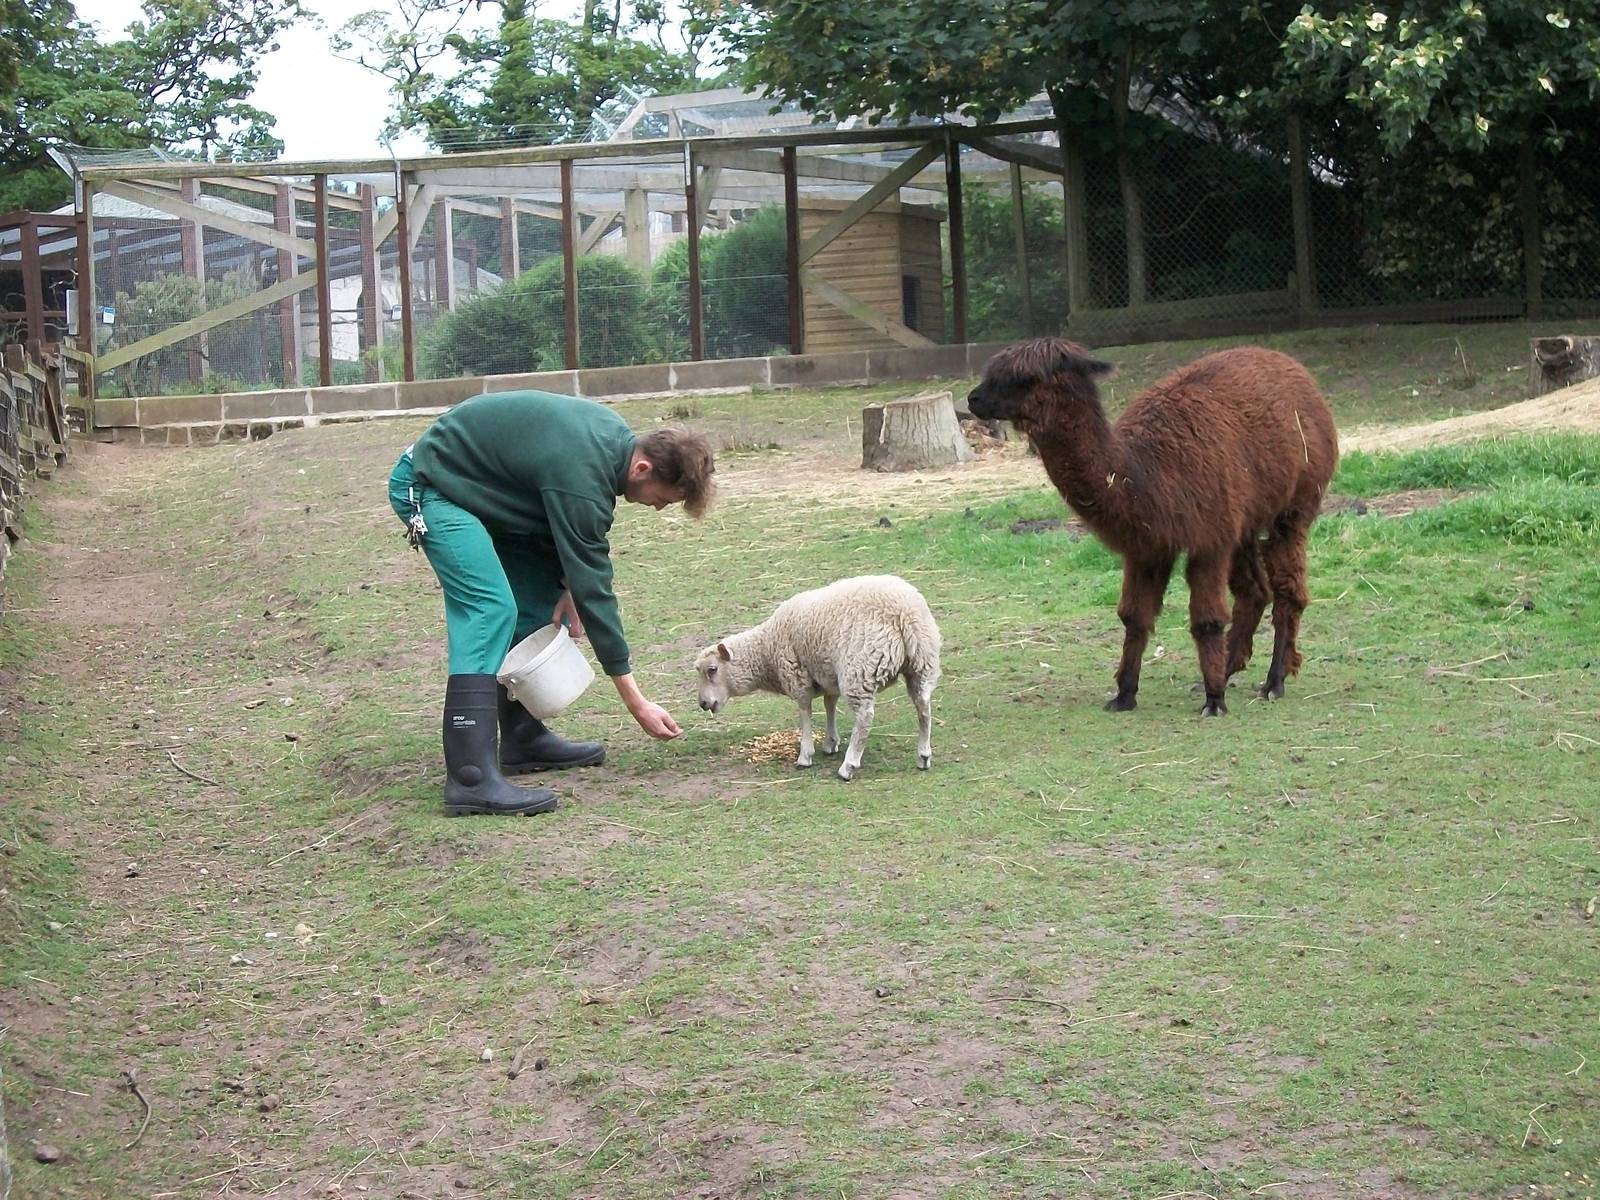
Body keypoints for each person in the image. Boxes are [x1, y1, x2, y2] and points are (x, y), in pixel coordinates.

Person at [387, 390, 715, 816]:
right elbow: (596, 590)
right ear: (643, 467)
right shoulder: (585, 471)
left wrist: (566, 586)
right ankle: (470, 777)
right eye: (663, 498)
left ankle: (522, 738)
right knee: (489, 608)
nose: (656, 508)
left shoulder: (612, 445)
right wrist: (636, 702)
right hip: (432, 486)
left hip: (485, 491)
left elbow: (567, 535)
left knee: (534, 600)